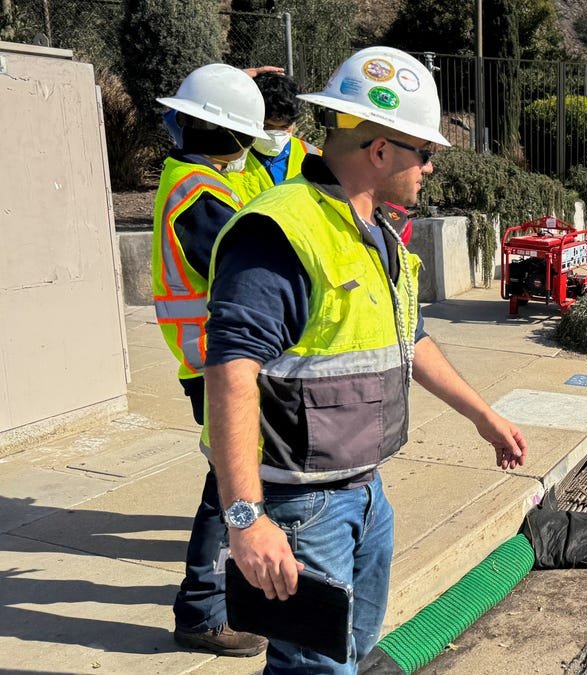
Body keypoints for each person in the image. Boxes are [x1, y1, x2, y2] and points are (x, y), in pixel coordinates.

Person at [202, 46, 528, 672]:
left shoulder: (373, 231)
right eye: (424, 153)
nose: (429, 168)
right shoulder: (280, 233)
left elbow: (412, 341)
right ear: (379, 151)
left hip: (365, 492)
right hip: (302, 505)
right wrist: (245, 519)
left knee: (350, 651)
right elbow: (230, 374)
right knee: (315, 666)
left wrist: (482, 416)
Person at [151, 64, 271, 656]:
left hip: (211, 359)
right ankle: (200, 613)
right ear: (232, 139)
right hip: (214, 363)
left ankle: (228, 593)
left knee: (236, 481)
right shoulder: (198, 194)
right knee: (228, 487)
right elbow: (243, 261)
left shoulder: (198, 179)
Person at [238, 71, 320, 199]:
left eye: (284, 127)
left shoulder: (314, 157)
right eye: (267, 126)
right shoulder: (231, 157)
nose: (275, 135)